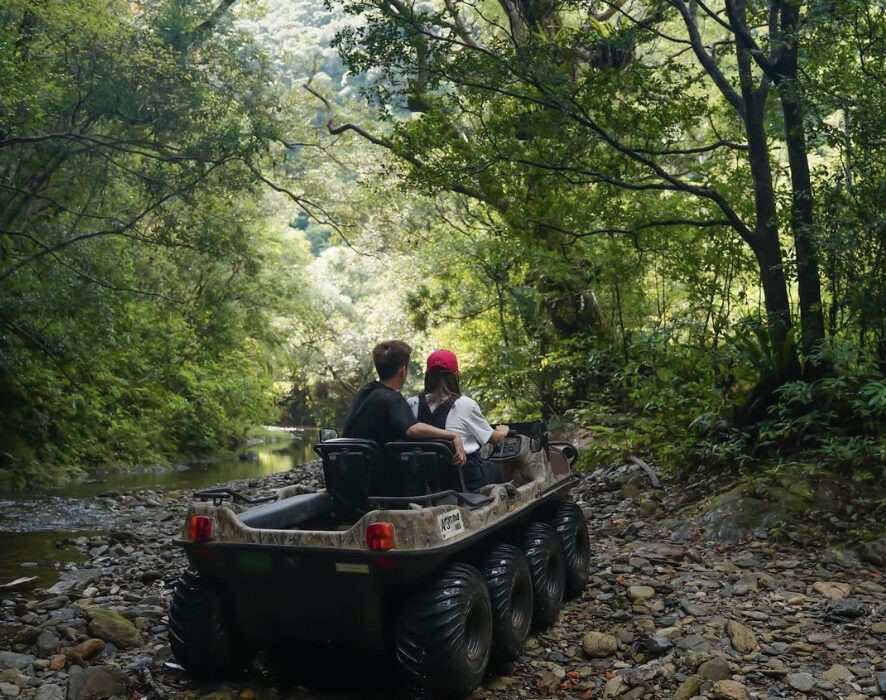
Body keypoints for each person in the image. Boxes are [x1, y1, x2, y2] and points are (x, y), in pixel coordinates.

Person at [342, 340, 467, 465]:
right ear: (403, 371)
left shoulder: (365, 391)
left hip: (351, 469)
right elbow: (412, 429)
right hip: (377, 476)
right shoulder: (393, 399)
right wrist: (453, 435)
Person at [407, 349, 508, 492]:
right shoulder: (465, 404)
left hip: (424, 482)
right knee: (492, 468)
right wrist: (503, 431)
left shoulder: (411, 403)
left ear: (427, 376)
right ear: (456, 376)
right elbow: (494, 438)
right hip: (461, 481)